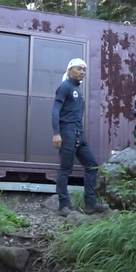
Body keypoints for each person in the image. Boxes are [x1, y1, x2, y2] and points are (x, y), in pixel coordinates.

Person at [52, 58, 109, 216]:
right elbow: (55, 111)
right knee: (65, 169)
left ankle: (90, 204)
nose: (82, 72)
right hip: (67, 132)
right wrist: (56, 133)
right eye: (78, 69)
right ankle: (64, 206)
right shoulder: (65, 87)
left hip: (79, 133)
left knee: (92, 165)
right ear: (70, 69)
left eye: (84, 69)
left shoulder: (77, 88)